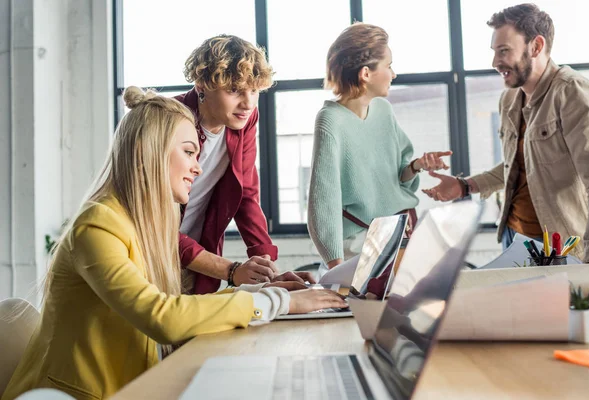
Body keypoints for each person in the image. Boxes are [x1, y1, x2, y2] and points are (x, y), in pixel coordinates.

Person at [1, 88, 347, 400]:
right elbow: (161, 316)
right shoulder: (97, 224)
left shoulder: (142, 225)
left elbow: (175, 306)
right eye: (188, 152)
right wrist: (280, 302)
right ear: (145, 153)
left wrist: (263, 292)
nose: (197, 168)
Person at [422, 3, 589, 262]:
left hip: (560, 248)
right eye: (495, 52)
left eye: (504, 51)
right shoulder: (509, 99)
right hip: (513, 238)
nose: (495, 62)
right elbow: (515, 166)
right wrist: (464, 186)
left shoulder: (573, 93)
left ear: (536, 47)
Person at [308, 22, 452, 272]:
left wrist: (416, 166)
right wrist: (336, 269)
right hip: (358, 245)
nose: (393, 74)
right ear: (366, 73)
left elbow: (398, 175)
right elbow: (323, 203)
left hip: (400, 233)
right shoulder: (330, 121)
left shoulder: (384, 110)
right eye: (389, 66)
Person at [175, 34, 314, 295]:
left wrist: (268, 269)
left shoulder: (243, 119)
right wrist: (231, 270)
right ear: (202, 83)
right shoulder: (167, 121)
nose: (248, 103)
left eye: (254, 90)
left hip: (196, 256)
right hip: (149, 251)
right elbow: (152, 224)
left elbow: (246, 194)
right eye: (234, 90)